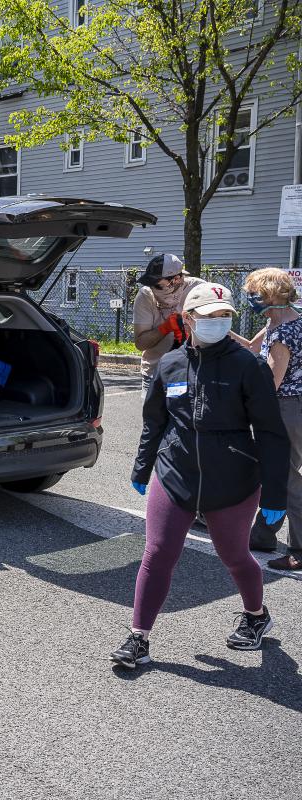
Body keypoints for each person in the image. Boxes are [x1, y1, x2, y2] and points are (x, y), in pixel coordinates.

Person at [115, 282, 289, 669]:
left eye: (224, 315)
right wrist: (143, 466)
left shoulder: (249, 366)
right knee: (157, 554)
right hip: (175, 474)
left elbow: (273, 434)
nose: (218, 322)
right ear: (189, 319)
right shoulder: (170, 364)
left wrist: (276, 496)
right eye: (209, 316)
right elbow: (154, 422)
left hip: (232, 481)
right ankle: (138, 637)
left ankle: (256, 616)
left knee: (235, 556)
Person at [234, 268, 302, 570]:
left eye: (255, 294)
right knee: (275, 471)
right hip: (290, 406)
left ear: (272, 295)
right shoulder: (280, 321)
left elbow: (271, 383)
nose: (251, 298)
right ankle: (262, 535)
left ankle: (300, 550)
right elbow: (250, 347)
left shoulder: (283, 333)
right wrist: (218, 329)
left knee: (285, 477)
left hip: (285, 408)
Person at [132, 253, 204, 394]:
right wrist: (165, 328)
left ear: (176, 279)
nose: (152, 288)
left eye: (157, 285)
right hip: (155, 371)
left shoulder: (199, 290)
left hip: (192, 371)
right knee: (153, 415)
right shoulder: (146, 295)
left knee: (185, 415)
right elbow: (140, 344)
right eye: (150, 284)